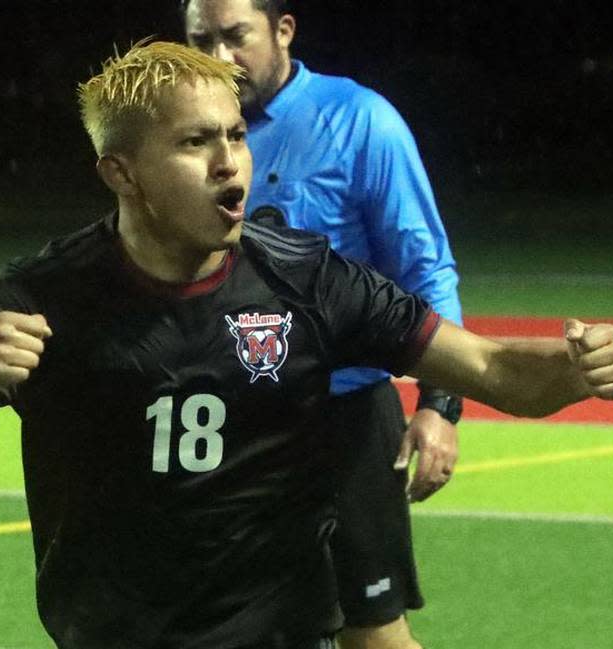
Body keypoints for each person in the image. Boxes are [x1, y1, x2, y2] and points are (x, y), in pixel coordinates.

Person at [0, 40, 613, 649]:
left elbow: (494, 369)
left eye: (236, 135)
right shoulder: (48, 297)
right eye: (195, 142)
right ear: (123, 173)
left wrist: (571, 368)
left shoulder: (306, 277)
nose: (229, 162)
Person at [181, 2, 461, 646]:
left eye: (235, 38)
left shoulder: (360, 122)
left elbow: (425, 267)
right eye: (201, 41)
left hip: (342, 423)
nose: (219, 59)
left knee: (373, 633)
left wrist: (440, 405)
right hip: (227, 425)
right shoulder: (177, 134)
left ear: (283, 31)